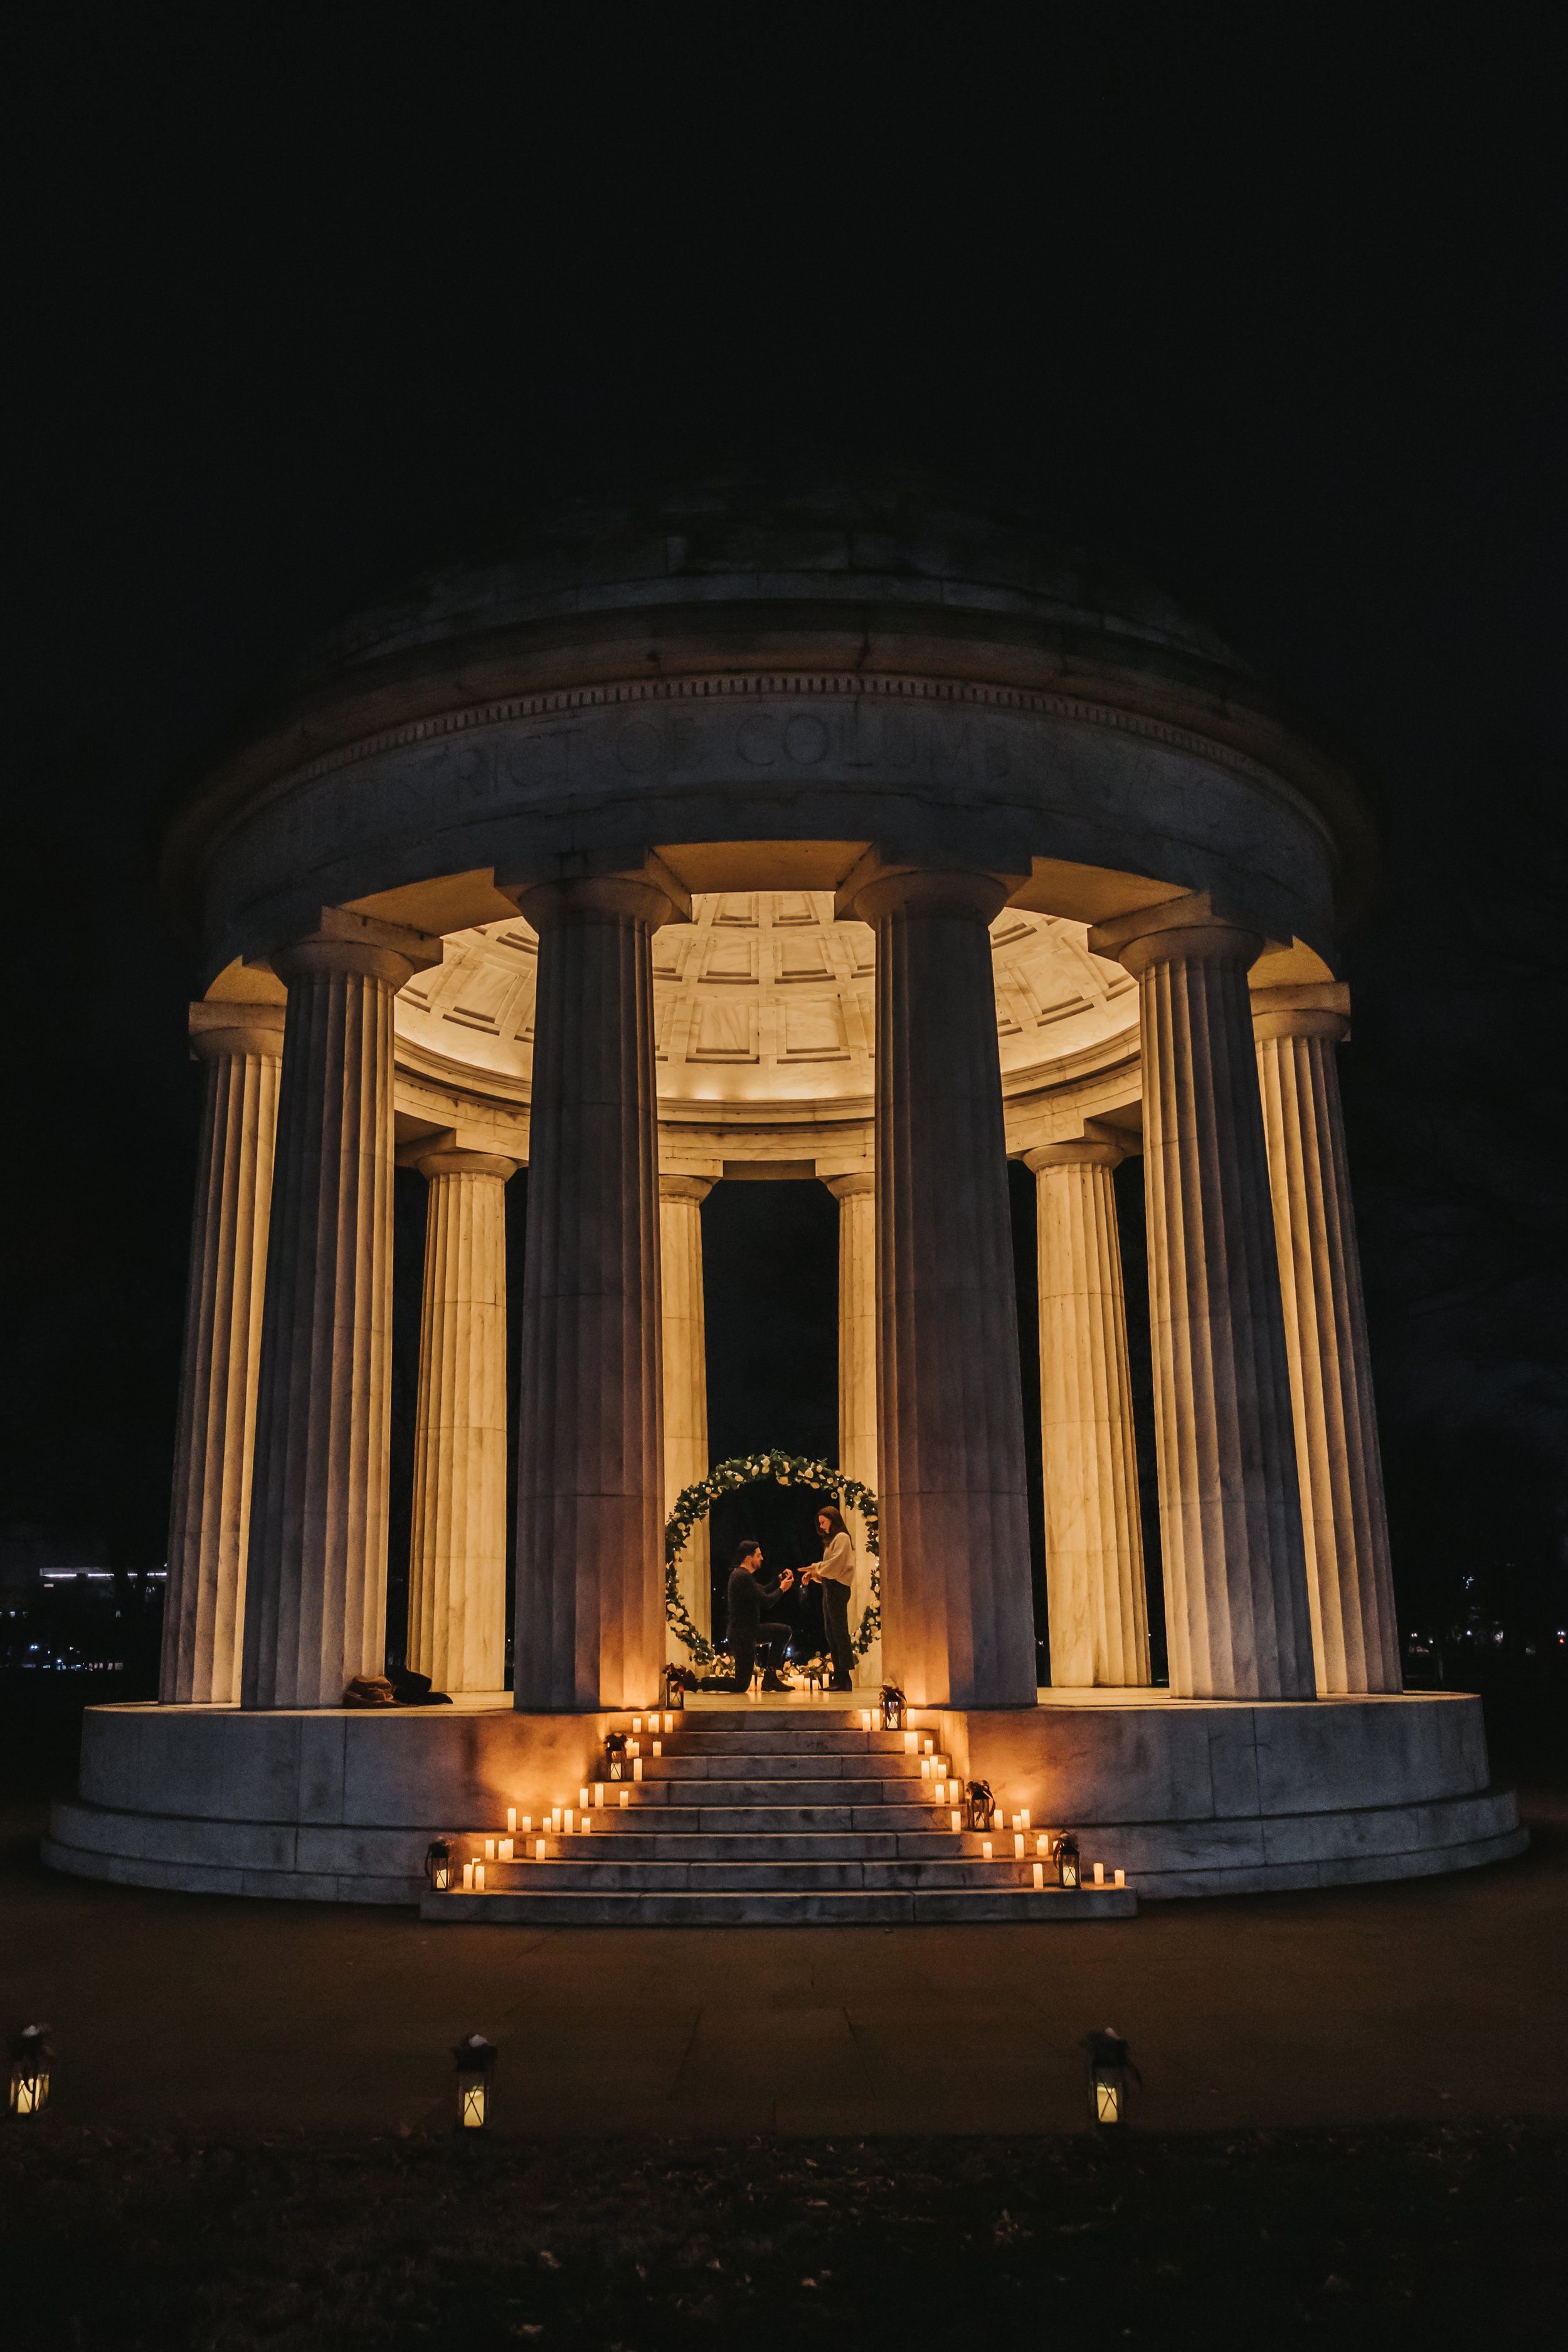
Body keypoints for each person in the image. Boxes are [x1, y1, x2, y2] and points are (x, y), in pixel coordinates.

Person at [724, 1539, 796, 1693]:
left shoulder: (743, 1576)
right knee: (741, 1684)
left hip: (749, 1631)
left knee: (783, 1631)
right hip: (742, 1635)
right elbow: (766, 1602)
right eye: (759, 1555)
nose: (762, 1558)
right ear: (749, 1558)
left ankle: (770, 1678)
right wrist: (782, 1589)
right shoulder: (741, 1577)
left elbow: (762, 1591)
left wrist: (779, 1581)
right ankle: (701, 1684)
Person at [801, 1505, 856, 1690]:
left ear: (833, 1519)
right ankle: (839, 1676)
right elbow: (829, 1568)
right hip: (831, 1588)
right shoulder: (833, 1541)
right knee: (831, 1632)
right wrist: (814, 1573)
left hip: (838, 1588)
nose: (822, 1526)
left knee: (839, 1631)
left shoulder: (842, 1538)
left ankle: (844, 1677)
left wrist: (816, 1568)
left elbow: (836, 1565)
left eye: (823, 1522)